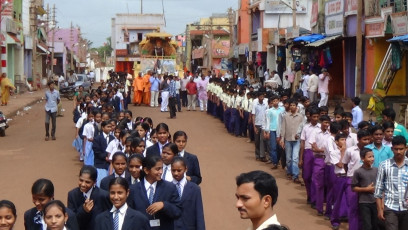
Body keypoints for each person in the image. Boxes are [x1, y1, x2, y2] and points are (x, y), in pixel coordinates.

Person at [128, 155, 182, 230]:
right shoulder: (133, 189)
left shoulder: (170, 188)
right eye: (157, 169)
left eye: (161, 168)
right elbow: (129, 215)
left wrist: (164, 205)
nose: (161, 172)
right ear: (146, 170)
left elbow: (178, 212)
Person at [374, 136, 408, 230]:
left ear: (406, 148)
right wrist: (380, 209)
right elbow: (378, 189)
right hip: (390, 207)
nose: (399, 152)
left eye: (401, 149)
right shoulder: (384, 165)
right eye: (396, 149)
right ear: (392, 149)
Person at [67, 165, 111, 230]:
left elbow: (108, 218)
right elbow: (71, 219)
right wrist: (83, 210)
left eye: (87, 182)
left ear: (94, 182)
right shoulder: (72, 195)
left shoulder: (103, 196)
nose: (83, 184)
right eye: (81, 180)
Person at [171, 157, 205, 230]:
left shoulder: (195, 189)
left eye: (179, 170)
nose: (176, 173)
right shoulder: (166, 188)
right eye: (173, 170)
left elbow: (199, 213)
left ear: (186, 169)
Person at [351, 148, 379, 230]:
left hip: (376, 201)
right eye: (369, 157)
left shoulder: (376, 170)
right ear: (362, 158)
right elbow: (353, 188)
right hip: (364, 202)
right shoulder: (358, 172)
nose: (372, 159)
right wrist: (366, 189)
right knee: (367, 225)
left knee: (376, 224)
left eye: (373, 156)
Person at [279, 99, 304, 184]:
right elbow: (283, 127)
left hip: (297, 140)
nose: (292, 107)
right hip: (288, 139)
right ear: (289, 107)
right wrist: (282, 139)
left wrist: (300, 136)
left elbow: (302, 128)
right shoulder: (286, 116)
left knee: (295, 158)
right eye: (291, 105)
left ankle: (295, 175)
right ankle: (289, 172)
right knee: (288, 158)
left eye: (294, 105)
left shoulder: (301, 117)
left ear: (296, 107)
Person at [310, 115, 331, 216]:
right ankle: (319, 208)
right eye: (325, 122)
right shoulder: (315, 132)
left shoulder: (330, 134)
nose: (327, 125)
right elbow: (313, 148)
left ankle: (328, 209)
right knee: (319, 185)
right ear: (321, 122)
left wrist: (320, 149)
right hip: (318, 159)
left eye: (328, 123)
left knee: (329, 185)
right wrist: (322, 150)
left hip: (328, 160)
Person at [299, 107, 320, 204]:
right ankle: (309, 194)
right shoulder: (306, 127)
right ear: (310, 117)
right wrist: (301, 158)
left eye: (317, 116)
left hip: (318, 153)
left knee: (315, 177)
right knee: (306, 176)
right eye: (314, 116)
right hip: (307, 152)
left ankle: (315, 198)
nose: (315, 118)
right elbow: (302, 143)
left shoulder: (321, 127)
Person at [263, 95, 284, 169]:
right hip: (272, 129)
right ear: (272, 102)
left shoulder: (282, 109)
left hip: (280, 130)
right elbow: (267, 121)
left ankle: (277, 160)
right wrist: (267, 131)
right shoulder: (269, 111)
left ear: (279, 101)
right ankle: (275, 162)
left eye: (276, 101)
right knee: (273, 147)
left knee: (279, 147)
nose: (275, 102)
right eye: (274, 101)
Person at [93, 120, 115, 187]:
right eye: (108, 127)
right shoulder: (97, 138)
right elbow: (96, 151)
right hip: (100, 164)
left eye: (110, 127)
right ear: (103, 127)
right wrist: (105, 157)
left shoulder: (113, 138)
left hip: (111, 164)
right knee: (100, 182)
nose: (109, 128)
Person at [252, 92, 268, 162]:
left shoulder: (265, 105)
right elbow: (253, 115)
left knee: (262, 140)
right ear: (258, 97)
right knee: (257, 140)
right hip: (257, 123)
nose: (262, 98)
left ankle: (262, 155)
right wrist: (254, 126)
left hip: (263, 124)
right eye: (260, 96)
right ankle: (257, 154)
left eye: (262, 96)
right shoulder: (255, 105)